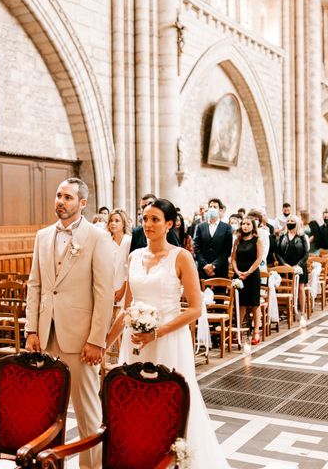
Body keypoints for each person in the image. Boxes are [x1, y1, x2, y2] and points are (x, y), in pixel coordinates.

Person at [105, 199, 231, 467]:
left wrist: (157, 332)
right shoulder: (134, 256)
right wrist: (104, 344)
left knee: (172, 402)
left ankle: (175, 460)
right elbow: (127, 308)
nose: (148, 225)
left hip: (169, 340)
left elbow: (195, 309)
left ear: (169, 224)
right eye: (144, 219)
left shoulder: (181, 257)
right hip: (135, 341)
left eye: (155, 219)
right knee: (134, 400)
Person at [25, 178, 114, 469]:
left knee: (88, 411)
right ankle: (49, 463)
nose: (60, 201)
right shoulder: (43, 235)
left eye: (68, 197)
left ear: (82, 203)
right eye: (58, 195)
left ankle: (93, 467)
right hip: (47, 335)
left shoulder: (98, 238)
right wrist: (31, 329)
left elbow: (103, 293)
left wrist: (97, 339)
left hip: (80, 339)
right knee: (47, 409)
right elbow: (35, 285)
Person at [231, 217, 263, 344]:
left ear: (252, 226)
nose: (245, 226)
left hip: (252, 274)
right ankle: (238, 330)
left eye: (248, 224)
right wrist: (237, 271)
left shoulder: (257, 240)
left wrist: (248, 272)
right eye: (243, 224)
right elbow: (233, 258)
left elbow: (259, 258)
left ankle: (256, 331)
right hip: (239, 274)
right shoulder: (237, 240)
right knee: (241, 303)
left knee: (254, 303)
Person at [275, 214, 309, 316]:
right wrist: (284, 264)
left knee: (300, 288)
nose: (290, 223)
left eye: (292, 221)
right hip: (285, 266)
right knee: (285, 287)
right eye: (288, 221)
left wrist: (298, 265)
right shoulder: (282, 236)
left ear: (297, 223)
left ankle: (302, 311)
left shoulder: (302, 236)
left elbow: (306, 252)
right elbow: (277, 252)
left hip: (299, 266)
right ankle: (287, 310)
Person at [194, 198, 233, 279]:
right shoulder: (201, 226)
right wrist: (205, 265)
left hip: (220, 269)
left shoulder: (227, 227)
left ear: (220, 210)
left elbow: (227, 250)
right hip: (203, 269)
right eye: (210, 207)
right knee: (202, 291)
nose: (212, 209)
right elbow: (197, 248)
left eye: (215, 207)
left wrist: (213, 265)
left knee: (220, 291)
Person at [108, 208, 132, 306]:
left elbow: (131, 267)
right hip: (109, 286)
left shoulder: (129, 241)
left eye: (117, 221)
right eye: (111, 221)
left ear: (123, 223)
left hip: (125, 285)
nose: (113, 223)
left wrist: (123, 287)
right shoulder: (106, 241)